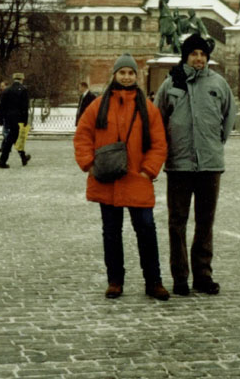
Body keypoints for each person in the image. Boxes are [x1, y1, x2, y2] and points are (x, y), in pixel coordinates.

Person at [74, 53, 169, 301]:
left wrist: (148, 171)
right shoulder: (98, 105)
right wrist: (89, 165)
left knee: (147, 230)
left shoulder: (148, 109)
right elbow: (83, 136)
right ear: (114, 75)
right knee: (111, 232)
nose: (126, 77)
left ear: (136, 77)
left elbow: (159, 143)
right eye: (122, 72)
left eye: (130, 73)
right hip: (108, 179)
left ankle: (153, 281)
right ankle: (115, 280)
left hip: (137, 179)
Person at [155, 33, 236, 296]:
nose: (199, 58)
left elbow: (229, 117)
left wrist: (213, 143)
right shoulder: (171, 84)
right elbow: (158, 120)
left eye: (202, 54)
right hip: (179, 164)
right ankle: (180, 276)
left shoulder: (218, 84)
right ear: (186, 56)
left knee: (205, 222)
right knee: (177, 222)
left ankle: (203, 274)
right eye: (194, 54)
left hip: (210, 164)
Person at [0, 73, 31, 168]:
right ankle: (2, 161)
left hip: (8, 118)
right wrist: (25, 120)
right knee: (11, 139)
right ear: (22, 79)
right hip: (18, 118)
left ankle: (23, 157)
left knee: (14, 138)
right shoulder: (23, 90)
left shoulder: (7, 90)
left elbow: (1, 106)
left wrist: (0, 118)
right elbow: (25, 107)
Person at [0, 81, 8, 152]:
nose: (1, 87)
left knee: (5, 133)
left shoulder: (8, 94)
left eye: (3, 86)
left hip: (6, 115)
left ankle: (6, 147)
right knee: (5, 133)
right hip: (3, 115)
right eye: (1, 86)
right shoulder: (1, 94)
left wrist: (0, 106)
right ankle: (4, 147)